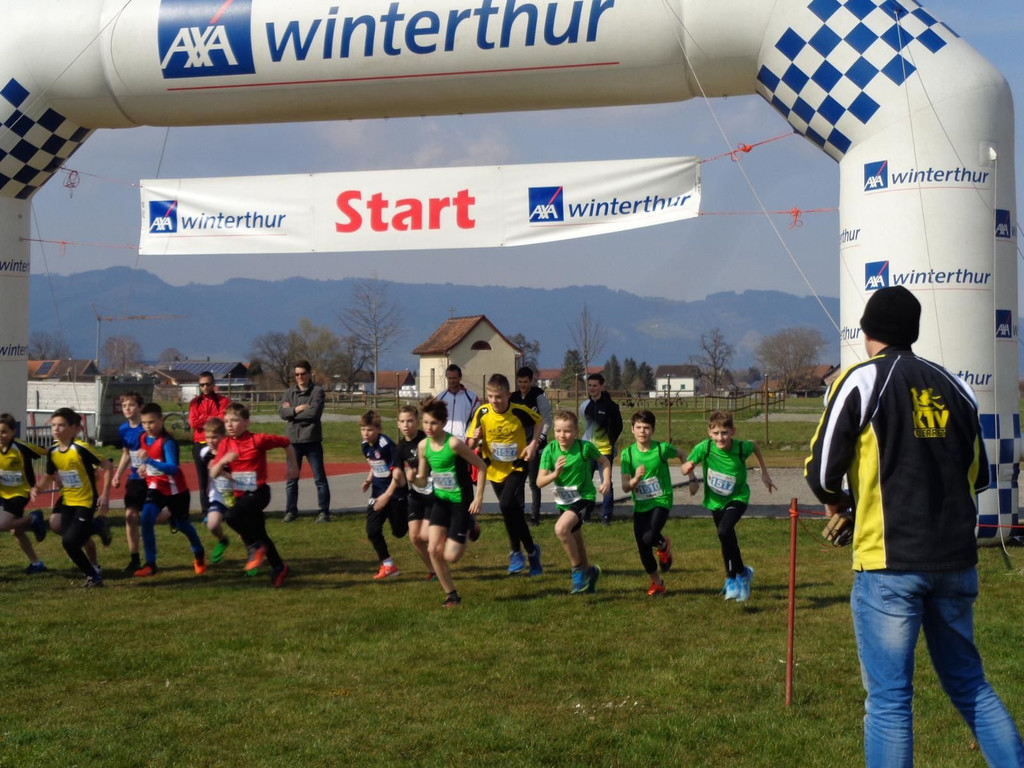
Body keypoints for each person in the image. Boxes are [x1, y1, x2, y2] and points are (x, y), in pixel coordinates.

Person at [805, 285, 1024, 767]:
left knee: (889, 701)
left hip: (889, 562)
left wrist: (841, 504)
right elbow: (979, 476)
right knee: (970, 684)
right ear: (914, 331)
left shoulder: (860, 380)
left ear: (866, 332)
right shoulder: (956, 386)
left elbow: (820, 474)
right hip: (956, 560)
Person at [681, 410, 775, 602]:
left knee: (724, 531)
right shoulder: (705, 447)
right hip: (715, 501)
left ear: (733, 431)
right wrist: (687, 469)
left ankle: (742, 573)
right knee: (726, 538)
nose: (720, 437)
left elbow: (755, 446)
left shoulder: (740, 448)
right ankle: (732, 579)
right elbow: (685, 466)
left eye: (724, 433)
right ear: (709, 432)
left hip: (738, 497)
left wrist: (764, 473)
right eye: (716, 433)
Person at [209, 402, 298, 588]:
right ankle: (279, 567)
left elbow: (286, 443)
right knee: (260, 533)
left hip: (259, 493)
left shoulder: (258, 440)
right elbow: (213, 473)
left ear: (247, 422)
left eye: (234, 420)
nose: (229, 425)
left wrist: (293, 468)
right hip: (241, 495)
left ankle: (255, 547)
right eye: (226, 421)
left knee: (231, 516)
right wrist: (223, 461)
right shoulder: (225, 443)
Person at [413, 397, 487, 607]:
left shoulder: (454, 444)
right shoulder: (423, 446)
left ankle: (469, 524)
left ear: (444, 423)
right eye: (425, 422)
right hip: (440, 500)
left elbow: (481, 466)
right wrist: (413, 479)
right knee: (433, 550)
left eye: (434, 423)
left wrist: (479, 498)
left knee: (451, 556)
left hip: (460, 503)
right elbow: (422, 478)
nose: (429, 427)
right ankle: (451, 595)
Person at [467, 373, 543, 576]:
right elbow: (471, 444)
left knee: (505, 504)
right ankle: (532, 552)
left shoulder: (519, 411)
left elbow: (539, 422)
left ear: (508, 395)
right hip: (493, 469)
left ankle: (516, 552)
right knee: (512, 511)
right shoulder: (482, 412)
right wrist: (475, 439)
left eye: (499, 397)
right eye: (491, 396)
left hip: (517, 466)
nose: (494, 401)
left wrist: (533, 444)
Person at [31, 408, 112, 587]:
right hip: (68, 501)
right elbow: (49, 475)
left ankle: (93, 574)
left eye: (61, 425)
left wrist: (105, 495)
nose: (56, 429)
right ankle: (94, 572)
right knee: (69, 541)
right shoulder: (53, 451)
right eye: (53, 425)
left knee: (69, 542)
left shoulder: (80, 449)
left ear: (73, 428)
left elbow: (107, 465)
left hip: (85, 501)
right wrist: (37, 488)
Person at [536, 410, 608, 594]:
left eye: (567, 431)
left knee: (561, 529)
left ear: (576, 432)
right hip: (563, 501)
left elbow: (605, 462)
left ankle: (577, 573)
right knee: (577, 541)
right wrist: (555, 474)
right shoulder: (550, 450)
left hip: (584, 498)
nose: (562, 435)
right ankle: (590, 573)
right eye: (558, 431)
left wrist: (606, 481)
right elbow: (540, 481)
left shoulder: (585, 447)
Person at [132, 403, 207, 578]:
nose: (147, 426)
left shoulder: (168, 442)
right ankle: (150, 564)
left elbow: (172, 468)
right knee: (146, 518)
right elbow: (147, 459)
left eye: (151, 422)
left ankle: (198, 552)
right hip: (156, 487)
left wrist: (148, 461)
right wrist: (143, 467)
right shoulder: (143, 438)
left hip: (176, 491)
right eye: (144, 423)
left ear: (161, 420)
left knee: (182, 525)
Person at [620, 410, 685, 597]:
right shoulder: (627, 454)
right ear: (632, 429)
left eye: (646, 428)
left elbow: (682, 454)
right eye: (639, 427)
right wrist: (635, 479)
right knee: (643, 547)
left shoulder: (661, 449)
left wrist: (690, 475)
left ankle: (663, 545)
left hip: (661, 500)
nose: (642, 431)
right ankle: (658, 583)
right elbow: (625, 487)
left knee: (649, 537)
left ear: (653, 430)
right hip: (641, 504)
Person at [279, 360, 331, 523]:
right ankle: (291, 511)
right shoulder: (289, 393)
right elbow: (282, 413)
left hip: (312, 441)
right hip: (293, 442)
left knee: (319, 479)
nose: (300, 377)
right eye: (297, 374)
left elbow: (314, 413)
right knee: (291, 480)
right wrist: (297, 409)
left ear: (309, 374)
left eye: (302, 374)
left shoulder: (317, 392)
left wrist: (292, 414)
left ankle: (323, 511)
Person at [359, 410, 409, 580]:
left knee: (399, 532)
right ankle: (388, 565)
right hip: (377, 494)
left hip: (395, 494)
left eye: (369, 430)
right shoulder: (365, 445)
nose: (366, 433)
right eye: (363, 429)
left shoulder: (387, 445)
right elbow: (374, 464)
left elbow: (397, 474)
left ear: (379, 429)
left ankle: (419, 519)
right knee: (372, 530)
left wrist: (387, 495)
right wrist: (368, 480)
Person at [0, 413, 49, 574]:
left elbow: (45, 451)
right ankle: (37, 564)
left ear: (13, 432)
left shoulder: (21, 447)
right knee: (17, 530)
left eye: (4, 431)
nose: (1, 435)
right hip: (3, 493)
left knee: (3, 524)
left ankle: (33, 518)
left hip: (21, 492)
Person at [395, 404, 438, 580]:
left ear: (417, 421)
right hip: (416, 494)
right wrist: (400, 476)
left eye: (410, 421)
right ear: (398, 424)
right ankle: (433, 570)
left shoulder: (427, 439)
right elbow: (400, 477)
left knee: (426, 535)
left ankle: (442, 555)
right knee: (414, 537)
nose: (406, 425)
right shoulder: (400, 448)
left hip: (434, 493)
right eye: (402, 421)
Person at [510, 366, 551, 526]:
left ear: (531, 380)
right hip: (519, 446)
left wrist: (539, 440)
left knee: (534, 482)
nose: (522, 385)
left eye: (525, 382)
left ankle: (535, 516)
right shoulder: (514, 397)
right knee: (518, 481)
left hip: (535, 445)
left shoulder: (538, 396)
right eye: (520, 382)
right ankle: (519, 514)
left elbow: (546, 420)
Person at [578, 373, 622, 524]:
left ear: (602, 387)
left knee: (606, 483)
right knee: (587, 484)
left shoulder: (611, 406)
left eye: (595, 386)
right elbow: (584, 426)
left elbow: (618, 426)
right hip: (588, 451)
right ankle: (587, 513)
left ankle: (606, 515)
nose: (592, 388)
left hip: (605, 452)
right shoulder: (584, 406)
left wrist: (610, 441)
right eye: (590, 385)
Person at [111, 392, 146, 572]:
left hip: (153, 478)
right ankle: (135, 559)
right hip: (135, 478)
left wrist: (148, 465)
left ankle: (175, 517)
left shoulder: (147, 427)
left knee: (153, 516)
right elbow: (127, 454)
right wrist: (117, 474)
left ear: (140, 407)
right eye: (124, 406)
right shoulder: (123, 429)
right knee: (130, 516)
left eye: (131, 405)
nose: (127, 409)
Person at [188, 371, 229, 521]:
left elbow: (222, 420)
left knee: (221, 477)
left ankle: (225, 508)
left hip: (218, 444)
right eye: (202, 385)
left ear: (213, 384)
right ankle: (206, 511)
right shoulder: (194, 403)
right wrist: (211, 418)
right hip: (199, 443)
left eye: (208, 384)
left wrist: (203, 419)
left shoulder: (223, 400)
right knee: (203, 480)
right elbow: (193, 423)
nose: (205, 387)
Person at [198, 418, 234, 566]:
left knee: (242, 530)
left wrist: (220, 471)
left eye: (214, 437)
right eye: (207, 437)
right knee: (212, 525)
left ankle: (252, 556)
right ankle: (223, 540)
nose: (210, 441)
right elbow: (205, 477)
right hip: (218, 495)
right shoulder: (204, 453)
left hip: (235, 494)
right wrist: (207, 490)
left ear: (223, 436)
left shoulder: (232, 452)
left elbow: (240, 478)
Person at [436, 364, 479, 441]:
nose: (452, 381)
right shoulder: (440, 397)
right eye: (449, 378)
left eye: (454, 378)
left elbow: (478, 420)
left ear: (460, 377)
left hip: (463, 442)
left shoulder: (472, 397)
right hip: (444, 442)